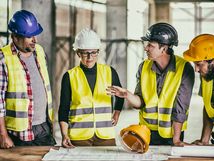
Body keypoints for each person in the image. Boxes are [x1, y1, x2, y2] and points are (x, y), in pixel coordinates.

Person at [107, 22, 195, 146]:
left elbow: (180, 109)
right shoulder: (143, 67)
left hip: (172, 134)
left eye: (150, 45)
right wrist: (127, 94)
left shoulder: (184, 68)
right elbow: (140, 103)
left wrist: (176, 139)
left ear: (163, 48)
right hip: (146, 133)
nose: (145, 48)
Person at [58, 28, 124, 148]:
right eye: (85, 53)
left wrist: (117, 113)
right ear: (78, 53)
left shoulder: (109, 72)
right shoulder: (69, 76)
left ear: (98, 52)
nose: (90, 57)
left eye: (93, 52)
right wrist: (64, 134)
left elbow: (121, 96)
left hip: (105, 135)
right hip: (79, 136)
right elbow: (63, 108)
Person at [0, 10, 56, 149]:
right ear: (15, 37)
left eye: (35, 35)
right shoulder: (3, 58)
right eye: (29, 37)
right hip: (19, 135)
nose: (35, 40)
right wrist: (3, 135)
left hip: (44, 128)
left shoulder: (40, 51)